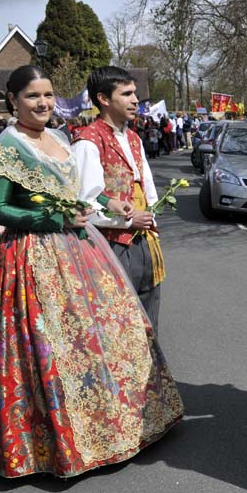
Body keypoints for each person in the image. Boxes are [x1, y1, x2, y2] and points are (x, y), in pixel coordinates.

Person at [0, 65, 183, 478]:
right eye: (32, 96)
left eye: (47, 95)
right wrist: (52, 217)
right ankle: (55, 442)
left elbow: (81, 195)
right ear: (13, 100)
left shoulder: (59, 138)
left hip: (78, 250)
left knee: (102, 338)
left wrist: (99, 207)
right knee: (48, 347)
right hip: (31, 256)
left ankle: (115, 427)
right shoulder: (7, 145)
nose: (42, 103)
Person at [73, 66, 166, 332]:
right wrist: (126, 220)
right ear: (103, 99)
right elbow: (82, 204)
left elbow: (147, 190)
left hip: (144, 242)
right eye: (126, 94)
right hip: (112, 245)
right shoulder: (88, 142)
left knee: (149, 321)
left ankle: (151, 373)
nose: (135, 100)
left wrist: (150, 216)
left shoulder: (134, 138)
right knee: (117, 324)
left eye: (135, 93)